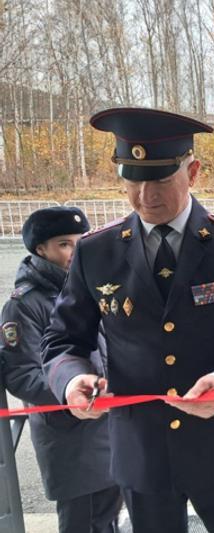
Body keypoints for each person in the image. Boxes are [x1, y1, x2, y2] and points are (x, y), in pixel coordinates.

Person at [41, 107, 214, 533]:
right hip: (142, 452)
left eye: (160, 179)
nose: (146, 195)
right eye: (133, 179)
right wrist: (71, 381)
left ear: (192, 172)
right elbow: (62, 339)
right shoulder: (96, 251)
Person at [1, 206, 122, 533]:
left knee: (108, 515)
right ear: (41, 249)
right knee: (82, 520)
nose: (75, 251)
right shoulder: (24, 304)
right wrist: (72, 393)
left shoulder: (93, 288)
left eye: (81, 242)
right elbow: (22, 374)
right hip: (69, 433)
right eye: (64, 244)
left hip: (107, 421)